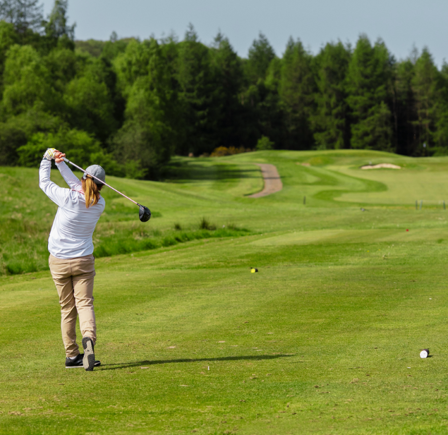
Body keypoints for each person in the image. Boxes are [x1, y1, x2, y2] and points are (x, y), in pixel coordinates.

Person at [39, 148, 106, 371]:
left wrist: (46, 159)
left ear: (84, 178)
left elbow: (45, 184)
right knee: (85, 303)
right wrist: (60, 163)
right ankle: (89, 338)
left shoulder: (68, 198)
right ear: (101, 185)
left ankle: (72, 355)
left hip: (58, 261)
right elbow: (81, 188)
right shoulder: (99, 203)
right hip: (83, 260)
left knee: (67, 309)